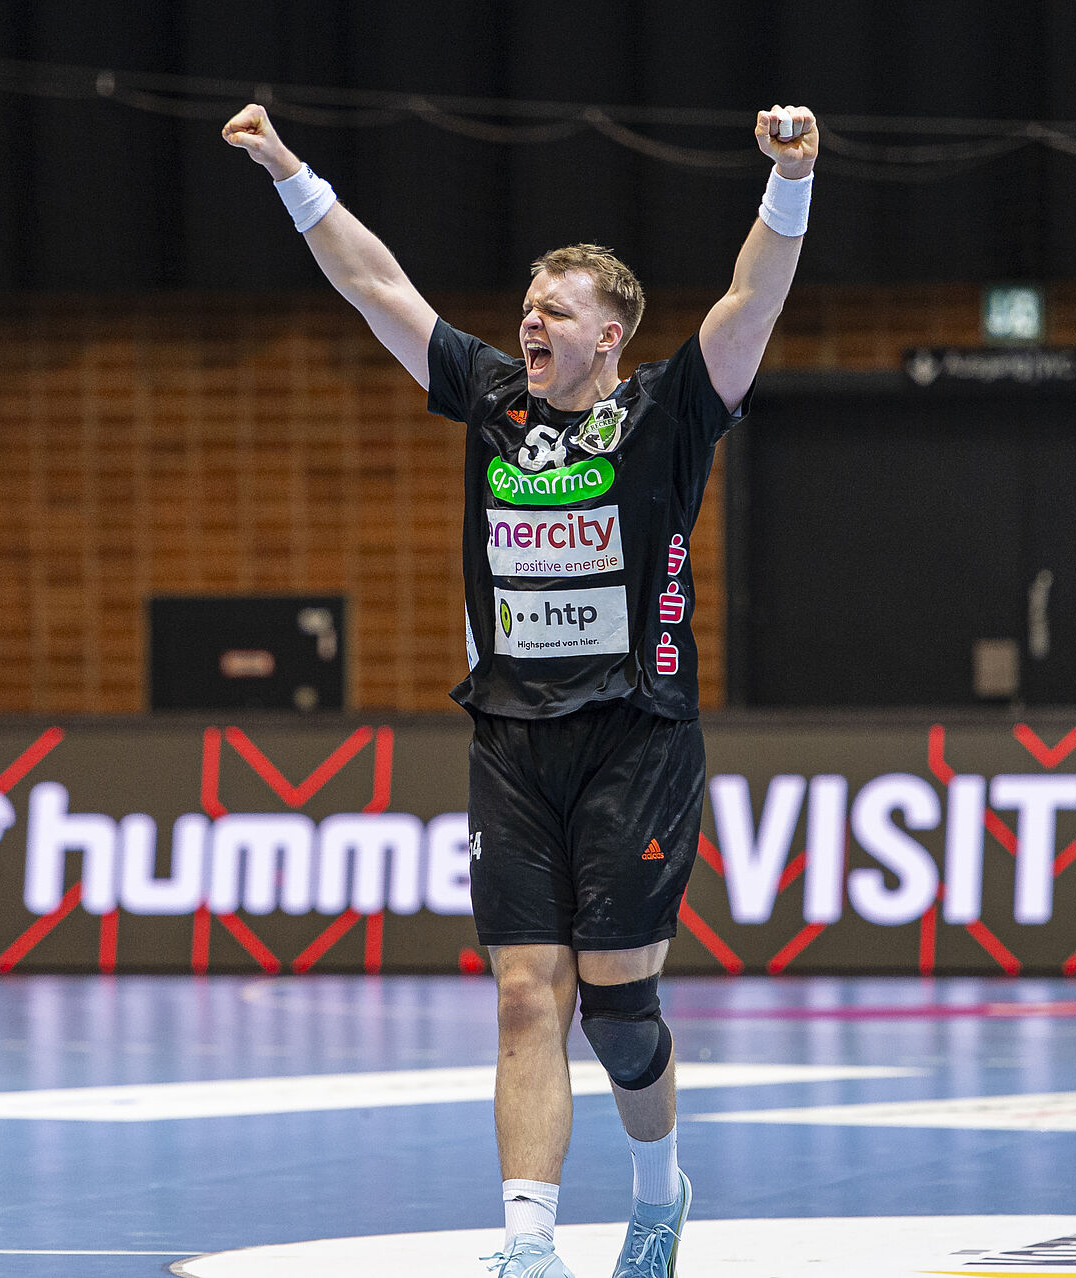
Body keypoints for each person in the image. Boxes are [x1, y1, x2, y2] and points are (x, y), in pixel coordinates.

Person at [225, 101, 818, 1278]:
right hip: (509, 734)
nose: (529, 321)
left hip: (636, 740)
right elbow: (375, 285)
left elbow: (751, 300)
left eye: (556, 309)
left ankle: (658, 1195)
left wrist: (792, 179)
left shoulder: (668, 411)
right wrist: (291, 172)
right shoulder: (491, 399)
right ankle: (528, 1242)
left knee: (617, 1009)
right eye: (528, 306)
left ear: (612, 336)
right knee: (519, 998)